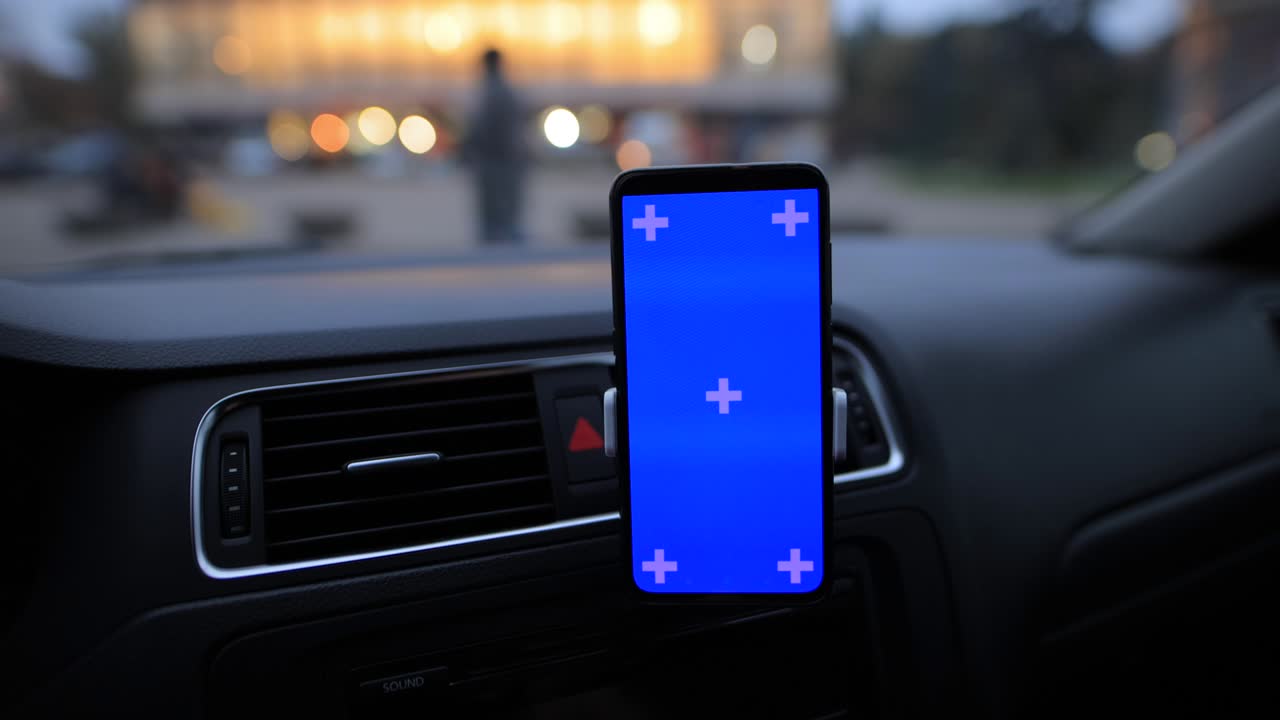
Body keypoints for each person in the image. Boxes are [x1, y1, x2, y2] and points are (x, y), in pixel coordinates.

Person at [460, 49, 528, 245]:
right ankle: (502, 234)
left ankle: (497, 235)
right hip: (503, 159)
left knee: (495, 207)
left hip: (495, 159)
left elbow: (481, 127)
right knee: (503, 205)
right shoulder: (503, 90)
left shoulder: (490, 91)